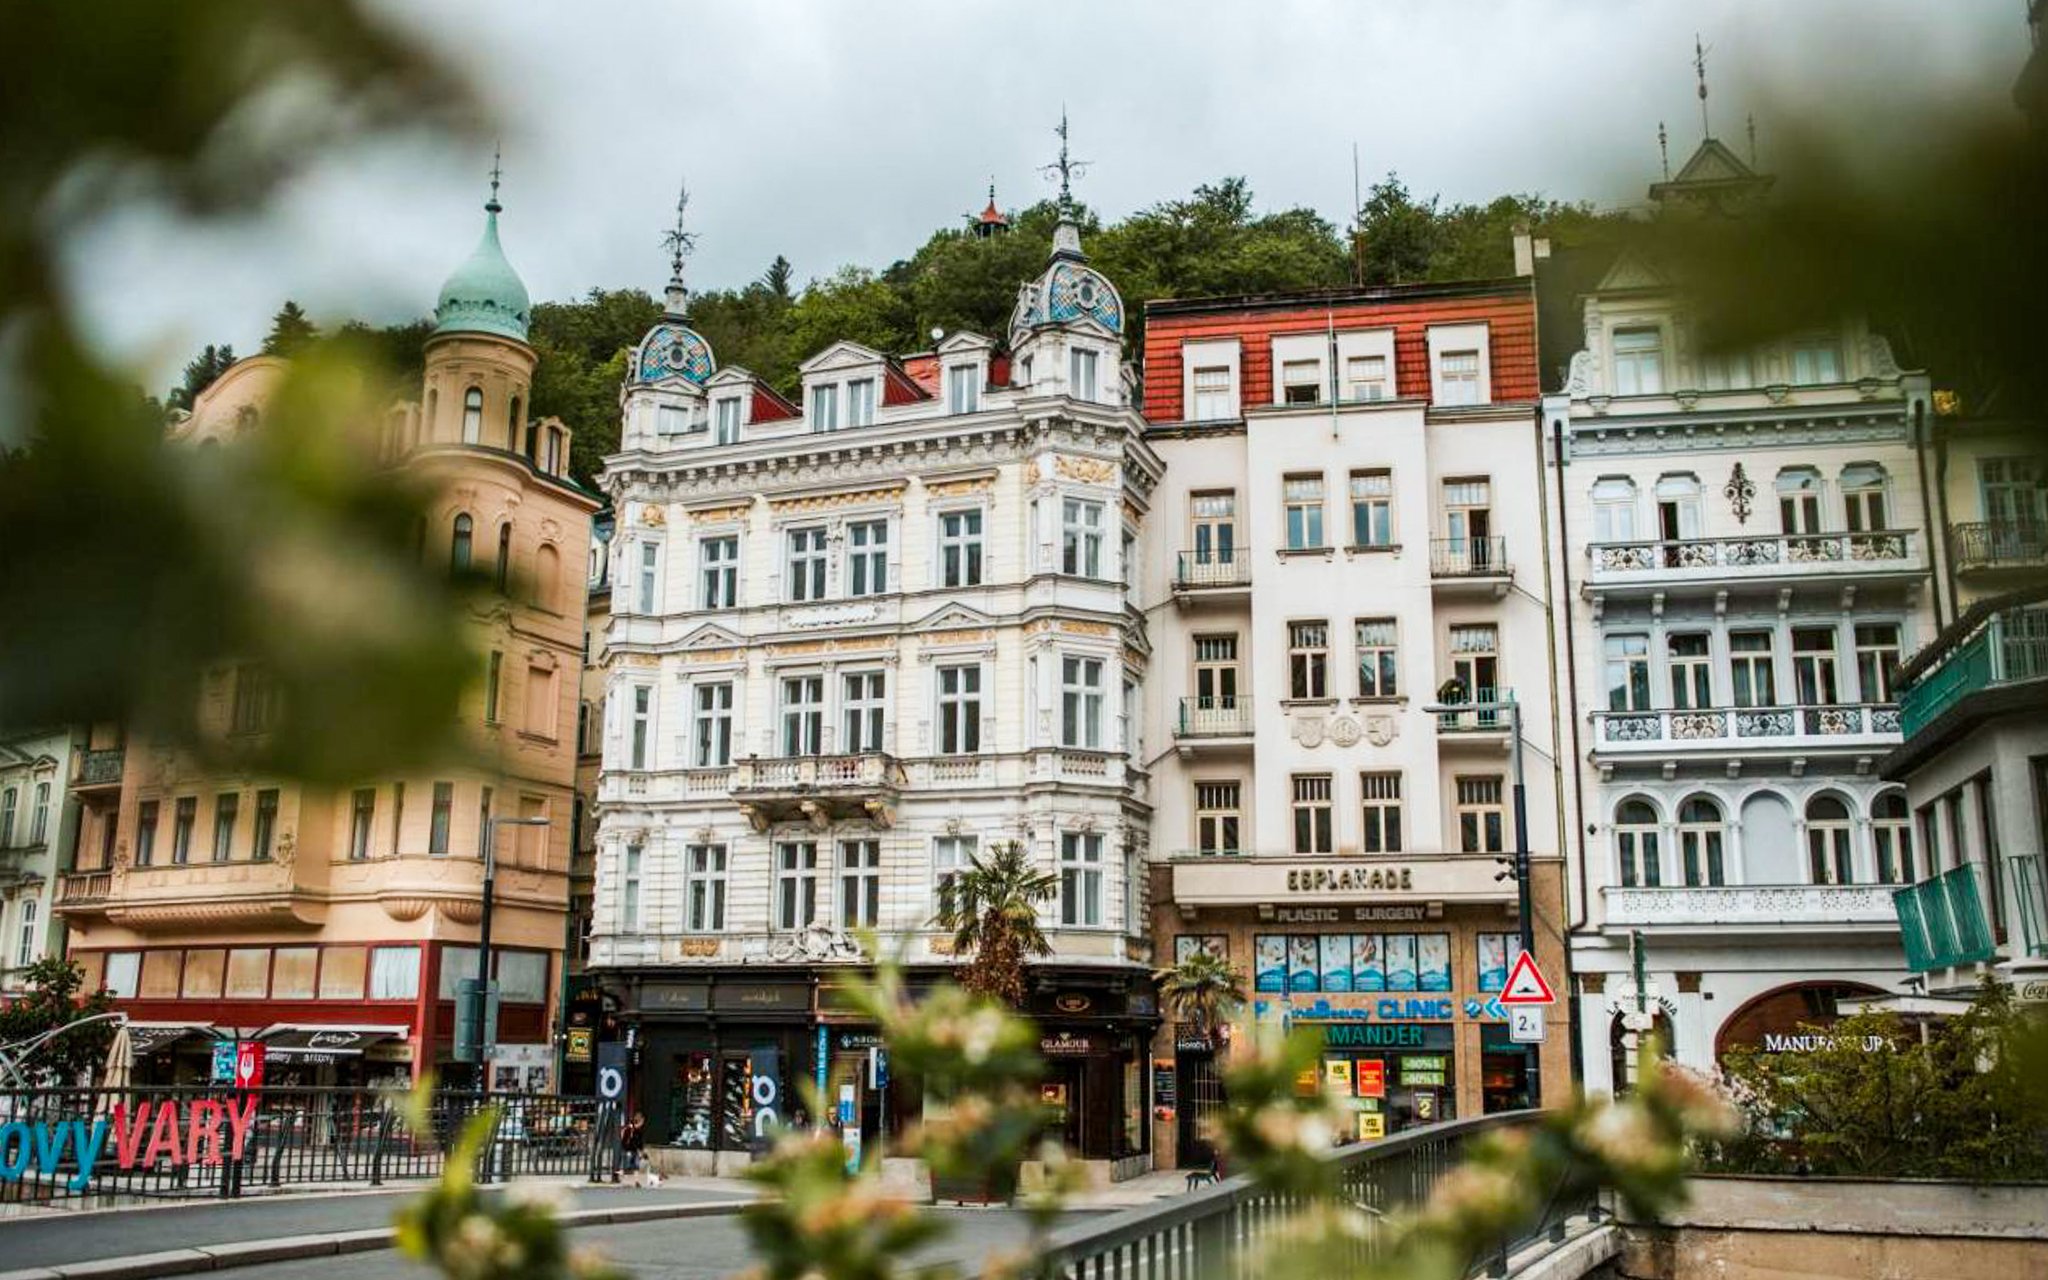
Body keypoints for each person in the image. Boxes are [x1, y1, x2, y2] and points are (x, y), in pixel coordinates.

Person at [620, 1111, 647, 1183]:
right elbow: (626, 1140)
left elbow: (640, 1142)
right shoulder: (630, 1128)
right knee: (627, 1166)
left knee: (636, 1166)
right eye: (642, 1121)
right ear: (640, 1121)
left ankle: (636, 1181)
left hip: (635, 1150)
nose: (643, 1123)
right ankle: (622, 1179)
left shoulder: (639, 1130)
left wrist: (641, 1151)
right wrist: (626, 1149)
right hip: (628, 1149)